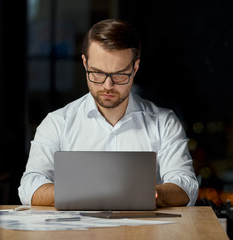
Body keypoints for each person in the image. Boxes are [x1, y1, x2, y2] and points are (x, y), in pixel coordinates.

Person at [18, 19, 198, 207]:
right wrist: (92, 192)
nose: (107, 85)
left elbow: (187, 187)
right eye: (97, 73)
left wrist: (150, 192)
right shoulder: (57, 123)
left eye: (120, 74)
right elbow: (29, 188)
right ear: (85, 63)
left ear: (135, 68)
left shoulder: (164, 123)